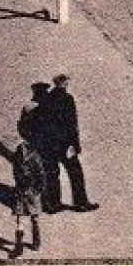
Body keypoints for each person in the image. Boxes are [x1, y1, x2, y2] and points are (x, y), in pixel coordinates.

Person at [44, 74, 97, 212]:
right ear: (63, 83)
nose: (67, 85)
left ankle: (53, 204)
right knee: (75, 172)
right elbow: (72, 124)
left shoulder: (46, 99)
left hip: (50, 143)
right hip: (65, 143)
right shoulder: (68, 99)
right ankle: (81, 203)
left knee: (52, 173)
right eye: (66, 83)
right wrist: (75, 145)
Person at [0, 130, 46, 257]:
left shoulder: (27, 155)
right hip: (28, 192)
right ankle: (33, 243)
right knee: (31, 218)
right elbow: (42, 176)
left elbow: (41, 176)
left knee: (21, 219)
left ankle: (21, 246)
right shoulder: (34, 155)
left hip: (24, 191)